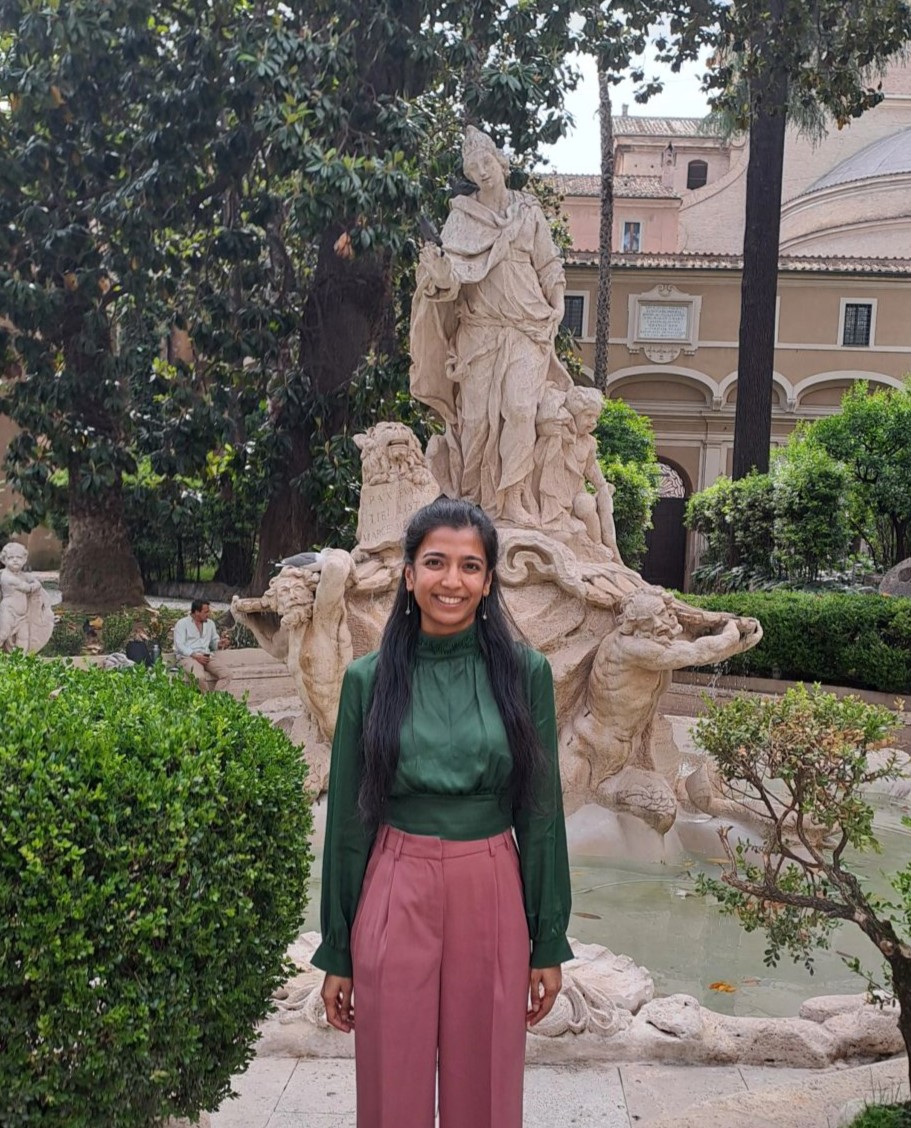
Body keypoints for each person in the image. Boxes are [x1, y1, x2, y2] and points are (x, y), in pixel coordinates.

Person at [312, 497, 573, 1128]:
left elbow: (540, 813)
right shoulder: (367, 681)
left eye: (469, 566)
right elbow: (348, 823)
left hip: (491, 884)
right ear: (409, 575)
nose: (451, 581)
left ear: (488, 582)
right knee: (389, 1079)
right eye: (435, 563)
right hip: (394, 882)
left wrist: (549, 941)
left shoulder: (525, 674)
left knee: (483, 1083)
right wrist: (338, 950)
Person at [410, 127, 572, 525]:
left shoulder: (528, 211)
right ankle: (470, 503)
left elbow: (547, 262)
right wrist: (436, 275)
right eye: (473, 167)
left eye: (487, 163)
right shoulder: (462, 217)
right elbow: (451, 279)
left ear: (501, 163)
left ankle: (513, 497)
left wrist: (558, 301)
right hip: (479, 329)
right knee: (476, 422)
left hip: (526, 325)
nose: (482, 172)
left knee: (520, 409)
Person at [173, 600, 230, 690]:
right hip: (188, 657)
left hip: (206, 656)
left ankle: (215, 700)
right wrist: (195, 655)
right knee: (199, 677)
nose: (209, 614)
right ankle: (206, 701)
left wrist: (219, 643)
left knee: (227, 674)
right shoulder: (182, 624)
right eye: (206, 612)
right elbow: (179, 645)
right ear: (196, 612)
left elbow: (213, 642)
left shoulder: (210, 624)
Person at [0, 542, 42, 652]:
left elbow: (29, 578)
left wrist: (33, 581)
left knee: (23, 637)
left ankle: (21, 661)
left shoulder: (21, 575)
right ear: (4, 560)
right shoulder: (7, 577)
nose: (15, 560)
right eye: (11, 557)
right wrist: (36, 584)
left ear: (24, 560)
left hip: (23, 615)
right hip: (9, 611)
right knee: (3, 634)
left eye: (18, 557)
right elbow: (28, 588)